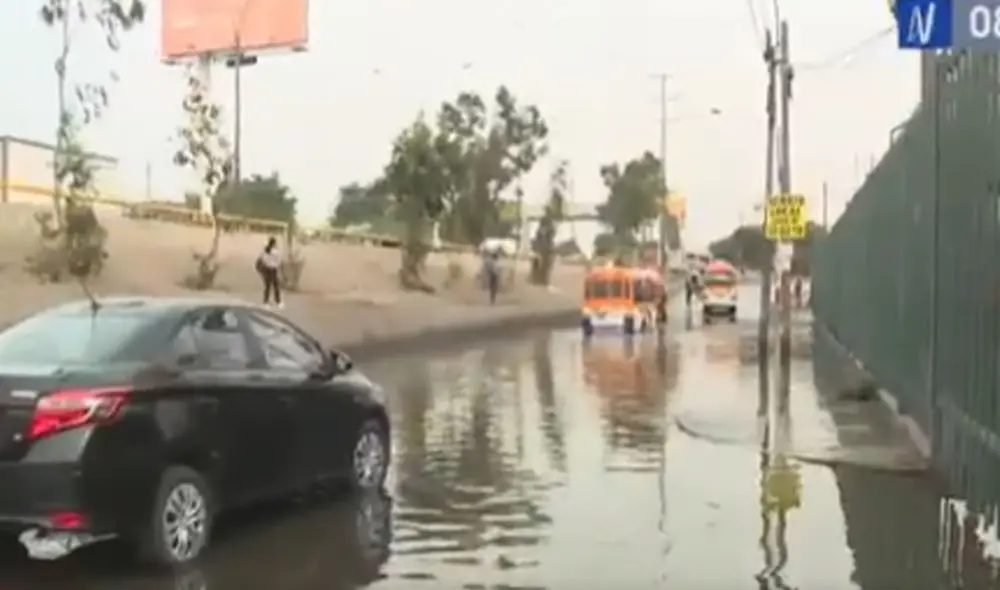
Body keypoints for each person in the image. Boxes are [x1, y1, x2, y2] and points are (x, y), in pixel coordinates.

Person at [256, 237, 283, 308]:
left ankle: (266, 302)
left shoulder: (265, 251)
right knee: (276, 286)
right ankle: (278, 302)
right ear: (274, 243)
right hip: (273, 270)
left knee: (267, 286)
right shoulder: (276, 252)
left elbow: (261, 259)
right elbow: (279, 262)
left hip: (267, 269)